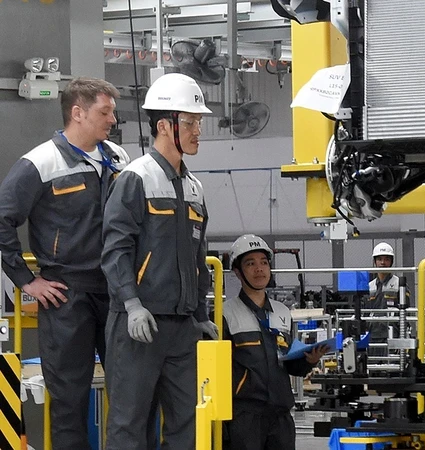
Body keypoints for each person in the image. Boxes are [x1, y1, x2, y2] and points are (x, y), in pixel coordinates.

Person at [0, 77, 128, 450]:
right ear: (78, 113)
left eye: (113, 112)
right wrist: (27, 280)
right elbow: (3, 219)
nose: (113, 120)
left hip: (118, 291)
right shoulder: (40, 163)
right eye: (105, 112)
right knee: (70, 400)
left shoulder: (119, 159)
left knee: (130, 394)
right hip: (66, 296)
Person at [101, 73, 217, 449]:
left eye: (199, 121)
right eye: (190, 121)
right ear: (164, 126)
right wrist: (132, 305)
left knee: (188, 425)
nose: (198, 129)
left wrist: (200, 315)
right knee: (130, 426)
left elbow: (199, 261)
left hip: (183, 329)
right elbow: (115, 250)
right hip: (139, 326)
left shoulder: (195, 188)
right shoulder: (136, 178)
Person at [223, 234, 328, 450]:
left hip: (280, 415)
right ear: (237, 272)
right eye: (250, 264)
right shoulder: (225, 314)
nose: (259, 269)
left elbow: (289, 364)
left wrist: (309, 360)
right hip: (244, 416)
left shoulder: (282, 312)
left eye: (263, 263)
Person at [365, 242, 411, 357]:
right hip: (372, 336)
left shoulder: (399, 285)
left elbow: (406, 313)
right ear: (375, 262)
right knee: (373, 369)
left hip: (392, 335)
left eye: (386, 259)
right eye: (379, 259)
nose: (383, 263)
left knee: (392, 370)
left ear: (391, 262)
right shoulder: (369, 286)